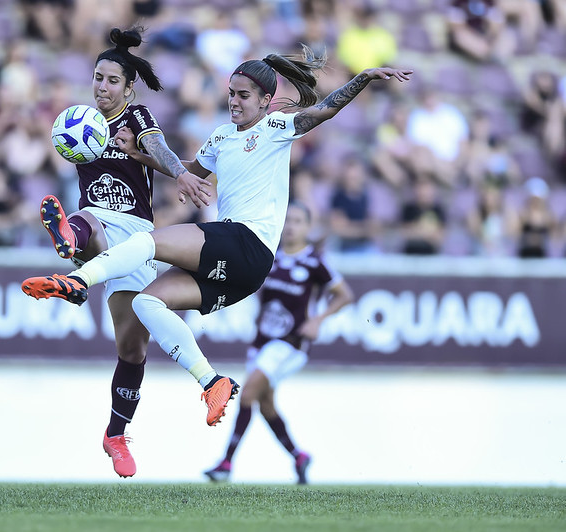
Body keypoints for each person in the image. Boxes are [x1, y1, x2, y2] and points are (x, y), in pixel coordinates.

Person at [22, 45, 411, 463]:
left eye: (244, 95)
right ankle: (212, 382)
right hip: (242, 273)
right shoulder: (222, 137)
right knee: (148, 303)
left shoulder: (278, 126)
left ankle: (79, 279)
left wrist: (365, 76)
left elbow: (326, 110)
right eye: (231, 93)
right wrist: (138, 155)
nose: (234, 101)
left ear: (265, 100)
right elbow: (191, 168)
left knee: (150, 243)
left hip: (247, 241)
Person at [27, 27, 213, 479]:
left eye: (112, 81)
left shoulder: (137, 117)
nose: (102, 87)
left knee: (132, 351)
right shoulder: (80, 122)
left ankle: (115, 434)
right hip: (96, 219)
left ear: (129, 87)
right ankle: (71, 246)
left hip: (138, 239)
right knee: (86, 220)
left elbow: (159, 148)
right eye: (97, 78)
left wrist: (180, 175)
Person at [204, 202, 353, 484]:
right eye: (288, 220)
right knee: (266, 404)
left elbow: (344, 294)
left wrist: (319, 320)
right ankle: (299, 456)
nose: (292, 226)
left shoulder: (315, 262)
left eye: (298, 221)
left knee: (247, 395)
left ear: (308, 227)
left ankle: (226, 463)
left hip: (291, 343)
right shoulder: (270, 257)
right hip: (262, 341)